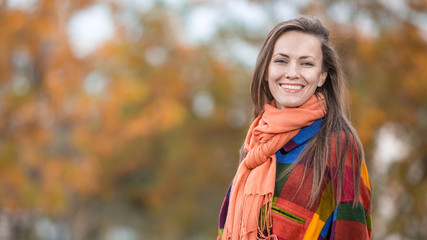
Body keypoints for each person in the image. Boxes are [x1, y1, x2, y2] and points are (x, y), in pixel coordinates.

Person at [217, 16, 372, 240]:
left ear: (321, 76)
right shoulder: (258, 142)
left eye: (306, 63)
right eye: (281, 60)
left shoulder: (338, 145)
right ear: (266, 70)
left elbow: (352, 232)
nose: (292, 73)